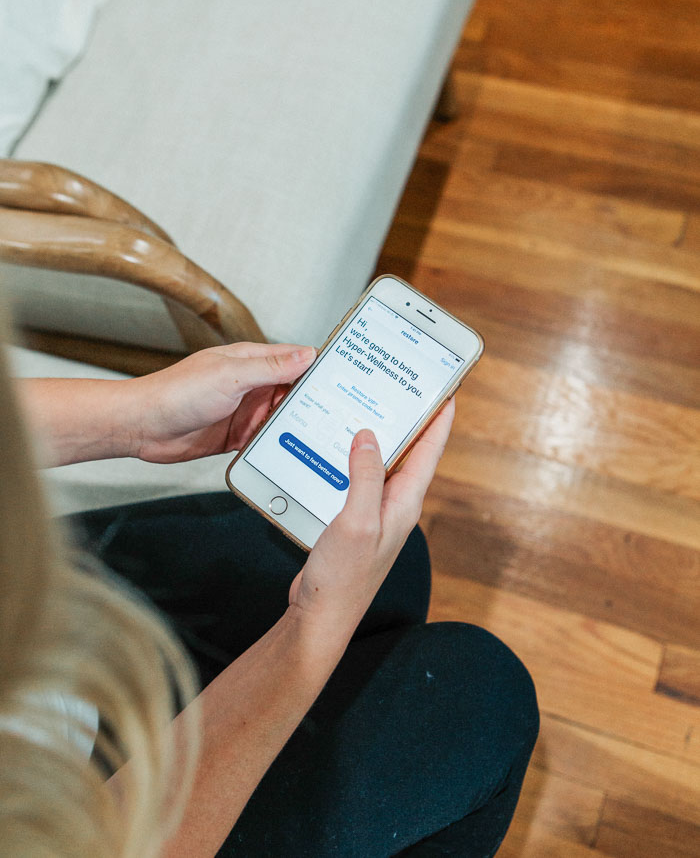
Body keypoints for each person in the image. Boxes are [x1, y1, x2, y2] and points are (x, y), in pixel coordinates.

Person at [0, 299, 539, 856]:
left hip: (39, 623)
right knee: (485, 698)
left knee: (396, 563)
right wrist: (312, 626)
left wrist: (136, 416)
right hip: (79, 821)